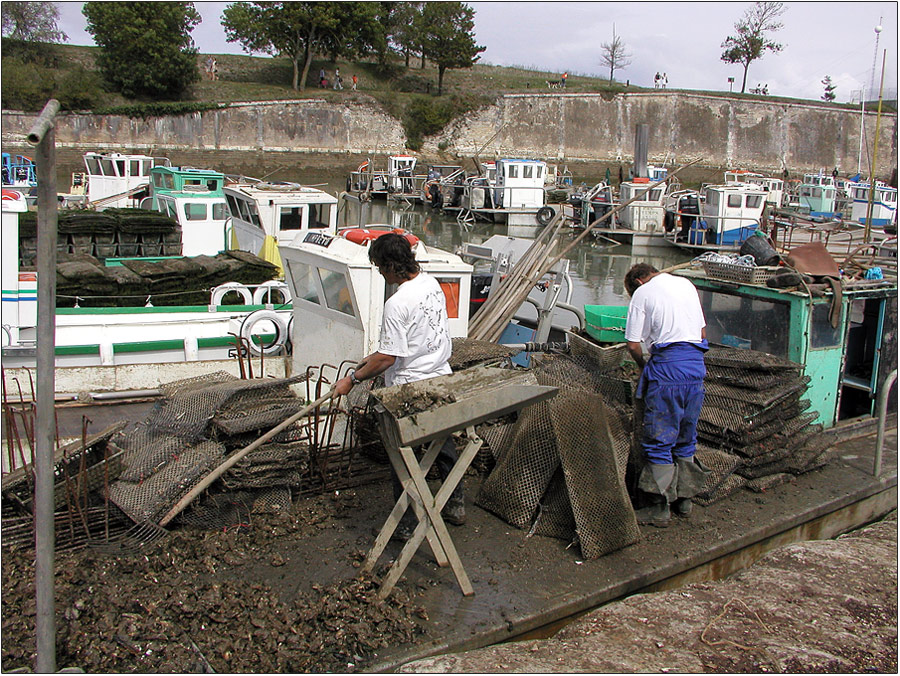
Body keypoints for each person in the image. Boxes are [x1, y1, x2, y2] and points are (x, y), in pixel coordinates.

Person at [334, 233, 465, 538]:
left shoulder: (397, 303)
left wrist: (351, 380)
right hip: (439, 377)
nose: (380, 273)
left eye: (380, 267)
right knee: (442, 441)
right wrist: (375, 356)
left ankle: (406, 523)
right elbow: (409, 341)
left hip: (409, 389)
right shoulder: (430, 284)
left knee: (400, 453)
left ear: (392, 266)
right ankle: (455, 503)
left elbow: (389, 359)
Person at [624, 263, 710, 527]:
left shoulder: (643, 292)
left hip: (668, 370)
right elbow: (702, 333)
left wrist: (643, 365)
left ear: (638, 281)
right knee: (686, 434)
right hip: (695, 368)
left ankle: (658, 507)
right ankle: (684, 500)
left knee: (659, 437)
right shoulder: (687, 284)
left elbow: (632, 344)